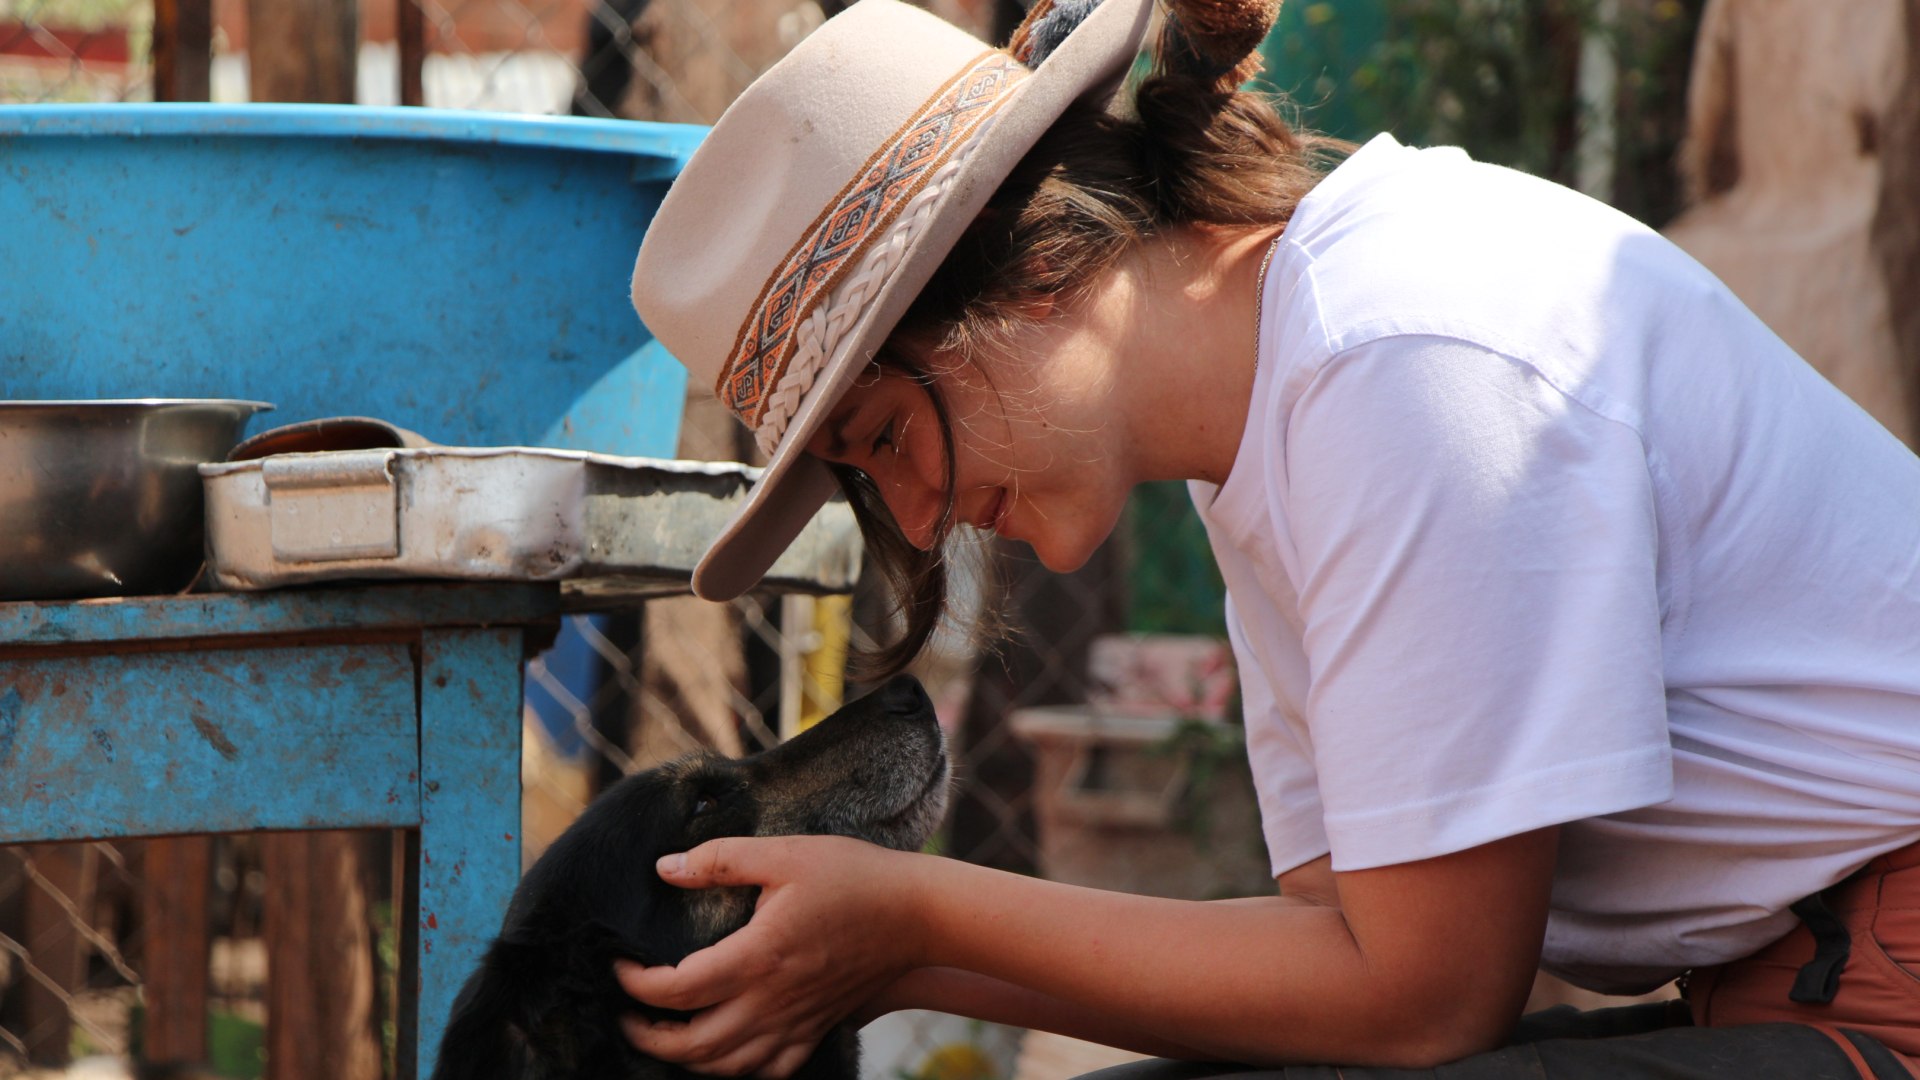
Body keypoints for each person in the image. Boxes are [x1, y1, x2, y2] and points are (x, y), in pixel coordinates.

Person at [620, 0, 1920, 1075]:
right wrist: (889, 953)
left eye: (891, 435)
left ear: (1029, 266)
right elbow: (1334, 959)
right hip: (1788, 989)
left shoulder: (1400, 357)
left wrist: (916, 913)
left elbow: (1425, 1003)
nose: (915, 517)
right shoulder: (1275, 416)